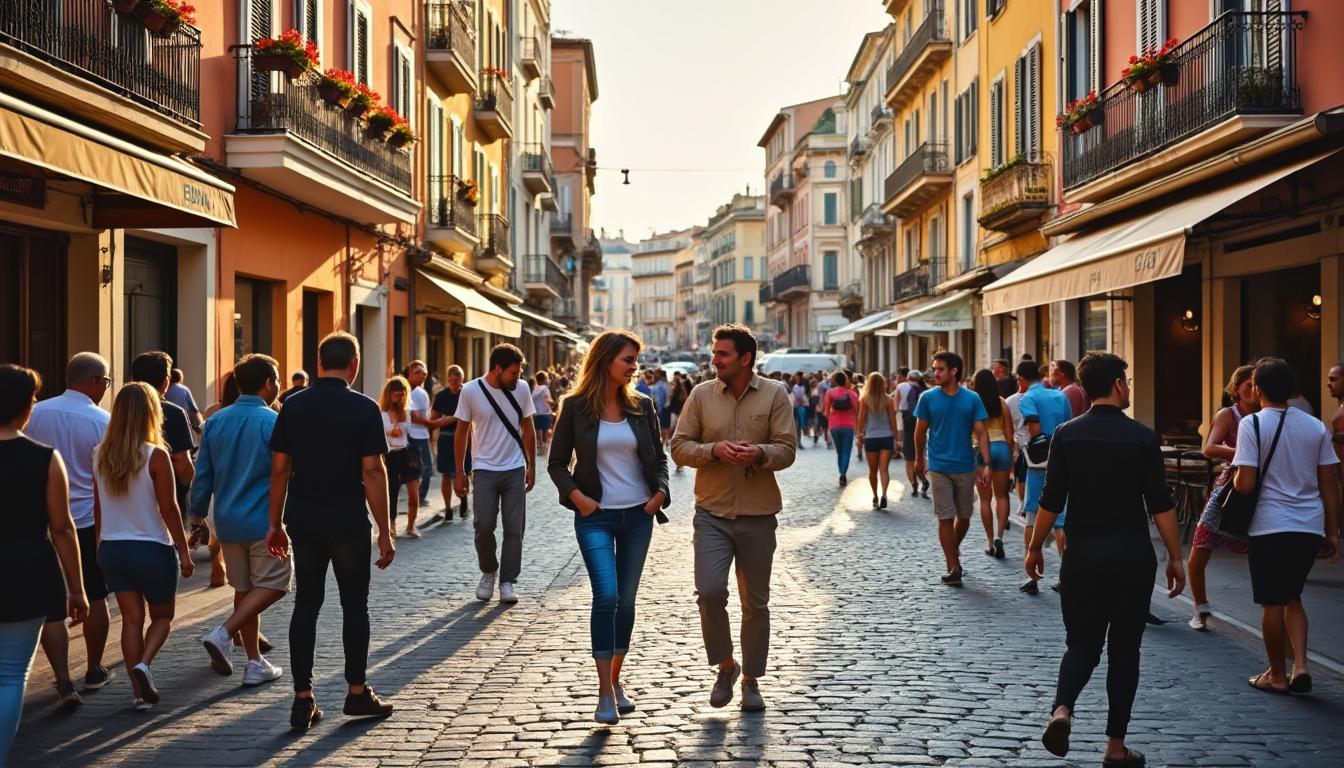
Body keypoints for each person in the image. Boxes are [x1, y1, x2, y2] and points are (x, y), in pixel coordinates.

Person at [1029, 352, 1185, 768]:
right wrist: (1176, 556)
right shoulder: (1143, 437)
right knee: (1125, 651)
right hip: (1131, 557)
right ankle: (1115, 747)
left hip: (1082, 557)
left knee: (1081, 644)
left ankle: (1062, 710)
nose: (1128, 387)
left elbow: (1051, 498)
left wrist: (1034, 547)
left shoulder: (1066, 435)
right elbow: (1160, 503)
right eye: (1127, 381)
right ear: (1118, 384)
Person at [267, 331, 396, 730]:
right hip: (347, 520)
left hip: (303, 519)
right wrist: (385, 529)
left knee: (306, 603)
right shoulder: (364, 408)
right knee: (354, 605)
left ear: (319, 362)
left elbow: (279, 470)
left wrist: (274, 524)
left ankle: (302, 700)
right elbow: (373, 471)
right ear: (354, 364)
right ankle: (356, 692)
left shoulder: (292, 406)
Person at [671, 324, 796, 713]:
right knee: (709, 592)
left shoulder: (775, 394)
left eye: (722, 353)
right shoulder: (701, 395)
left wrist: (759, 453)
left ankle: (751, 681)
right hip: (711, 511)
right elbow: (679, 447)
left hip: (759, 514)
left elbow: (787, 449)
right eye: (714, 353)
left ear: (745, 358)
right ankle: (726, 665)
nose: (715, 360)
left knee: (755, 603)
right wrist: (712, 450)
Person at [548, 331, 670, 724]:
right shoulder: (574, 406)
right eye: (628, 360)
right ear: (605, 361)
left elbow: (659, 458)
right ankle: (604, 692)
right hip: (594, 515)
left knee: (627, 601)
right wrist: (578, 498)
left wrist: (660, 493)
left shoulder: (642, 405)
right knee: (607, 595)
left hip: (638, 515)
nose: (635, 367)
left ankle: (616, 680)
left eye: (635, 359)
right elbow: (556, 463)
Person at [1232, 357, 1340, 695]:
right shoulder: (1315, 426)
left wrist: (1232, 476)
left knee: (1272, 603)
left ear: (1257, 390)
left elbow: (1245, 484)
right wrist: (1332, 531)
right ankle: (1301, 665)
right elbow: (1329, 483)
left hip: (1270, 525)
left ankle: (1277, 675)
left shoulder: (1252, 424)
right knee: (1293, 596)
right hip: (1308, 525)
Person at [0, 364, 88, 758]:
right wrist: (77, 588)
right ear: (25, 406)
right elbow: (62, 529)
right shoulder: (45, 459)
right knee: (10, 675)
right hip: (27, 572)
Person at [94, 382, 195, 711]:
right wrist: (184, 551)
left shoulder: (100, 454)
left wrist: (99, 545)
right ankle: (144, 664)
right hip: (151, 546)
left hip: (113, 547)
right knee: (162, 616)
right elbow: (169, 509)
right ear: (152, 413)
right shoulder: (155, 454)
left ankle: (138, 695)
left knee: (131, 619)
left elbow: (97, 507)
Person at [189, 354, 288, 687]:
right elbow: (284, 472)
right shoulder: (273, 422)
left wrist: (197, 517)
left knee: (244, 590)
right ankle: (224, 632)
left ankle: (254, 662)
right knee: (275, 584)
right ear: (269, 384)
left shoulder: (216, 421)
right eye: (277, 380)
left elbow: (202, 475)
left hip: (227, 521)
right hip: (263, 519)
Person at [26, 353, 112, 705]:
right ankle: (93, 669)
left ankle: (63, 679)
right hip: (86, 521)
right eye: (106, 383)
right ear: (95, 381)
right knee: (95, 595)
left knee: (52, 603)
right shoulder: (103, 421)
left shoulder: (35, 413)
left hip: (40, 522)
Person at [453, 344, 537, 604]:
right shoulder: (470, 391)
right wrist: (459, 471)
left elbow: (528, 427)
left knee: (514, 528)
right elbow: (461, 432)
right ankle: (489, 571)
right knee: (484, 525)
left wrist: (531, 465)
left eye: (519, 373)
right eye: (513, 373)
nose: (517, 378)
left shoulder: (522, 389)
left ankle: (508, 581)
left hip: (514, 468)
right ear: (497, 369)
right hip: (484, 469)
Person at [131, 351, 223, 587]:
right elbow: (184, 466)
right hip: (162, 511)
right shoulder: (173, 413)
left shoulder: (121, 415)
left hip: (122, 517)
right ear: (166, 381)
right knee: (161, 598)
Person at [1186, 365, 1258, 631]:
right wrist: (1243, 452)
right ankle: (1200, 605)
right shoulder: (1230, 414)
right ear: (1236, 388)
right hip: (1230, 486)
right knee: (1202, 543)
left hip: (1262, 486)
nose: (1253, 390)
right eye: (1248, 385)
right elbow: (1209, 447)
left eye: (1257, 385)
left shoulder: (1266, 414)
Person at [913, 353, 991, 587]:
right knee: (945, 516)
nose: (935, 373)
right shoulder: (927, 398)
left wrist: (986, 463)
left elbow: (981, 432)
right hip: (938, 466)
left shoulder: (972, 398)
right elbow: (919, 431)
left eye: (940, 369)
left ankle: (952, 549)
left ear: (954, 371)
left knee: (964, 517)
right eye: (934, 369)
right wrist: (919, 459)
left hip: (965, 466)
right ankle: (953, 566)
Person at [1018, 359, 1074, 594]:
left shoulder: (1027, 398)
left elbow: (1034, 429)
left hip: (1039, 464)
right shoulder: (1060, 396)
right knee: (1061, 520)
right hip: (1063, 460)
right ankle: (1066, 574)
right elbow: (1070, 425)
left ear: (1021, 379)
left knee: (1032, 515)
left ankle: (1031, 576)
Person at [971, 369, 1016, 560]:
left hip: (980, 449)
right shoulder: (1001, 402)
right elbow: (1010, 434)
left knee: (984, 499)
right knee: (1002, 495)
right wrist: (1011, 458)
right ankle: (1000, 536)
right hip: (1001, 447)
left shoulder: (972, 402)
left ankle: (990, 541)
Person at [379, 376, 422, 538]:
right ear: (389, 394)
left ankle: (411, 526)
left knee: (414, 494)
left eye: (402, 394)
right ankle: (392, 525)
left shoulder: (406, 412)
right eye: (396, 394)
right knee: (392, 494)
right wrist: (395, 429)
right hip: (390, 456)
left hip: (407, 454)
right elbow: (389, 430)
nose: (399, 398)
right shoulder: (382, 413)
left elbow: (405, 429)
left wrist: (395, 428)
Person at [431, 365, 471, 522]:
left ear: (462, 378)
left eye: (457, 379)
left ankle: (463, 499)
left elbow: (474, 417)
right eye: (452, 379)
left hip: (465, 438)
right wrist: (449, 419)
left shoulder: (467, 394)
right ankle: (447, 508)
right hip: (446, 438)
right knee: (446, 475)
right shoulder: (441, 396)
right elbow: (433, 418)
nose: (454, 382)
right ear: (448, 379)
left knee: (464, 471)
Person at [856, 372, 898, 509]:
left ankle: (875, 496)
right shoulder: (889, 399)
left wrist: (859, 435)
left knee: (872, 471)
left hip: (871, 438)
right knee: (884, 469)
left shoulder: (865, 400)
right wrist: (896, 438)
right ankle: (884, 494)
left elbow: (861, 418)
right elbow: (893, 420)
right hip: (886, 436)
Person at [404, 361, 435, 511]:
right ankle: (419, 496)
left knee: (421, 467)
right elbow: (414, 416)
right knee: (424, 467)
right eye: (418, 373)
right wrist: (434, 423)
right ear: (410, 372)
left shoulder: (420, 392)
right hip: (415, 435)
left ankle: (418, 496)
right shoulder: (412, 392)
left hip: (420, 434)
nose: (422, 376)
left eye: (424, 374)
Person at [822, 371, 858, 486]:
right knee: (847, 450)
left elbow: (826, 411)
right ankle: (843, 473)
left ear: (835, 381)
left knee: (839, 451)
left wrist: (829, 424)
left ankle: (841, 471)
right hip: (848, 425)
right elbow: (857, 410)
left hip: (834, 425)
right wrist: (857, 425)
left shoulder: (830, 393)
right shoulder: (852, 394)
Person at [897, 369, 928, 497]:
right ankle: (923, 479)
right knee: (921, 455)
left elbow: (896, 406)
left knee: (909, 458)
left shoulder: (902, 387)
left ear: (908, 378)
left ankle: (914, 484)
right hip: (924, 423)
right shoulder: (926, 390)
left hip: (908, 423)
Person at [1004, 371, 1030, 515]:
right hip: (1033, 443)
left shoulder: (1009, 401)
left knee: (1021, 476)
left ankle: (1022, 504)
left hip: (1018, 443)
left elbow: (1007, 428)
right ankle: (1025, 504)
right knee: (1025, 475)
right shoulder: (1039, 397)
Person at [167, 368, 204, 434]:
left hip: (168, 422)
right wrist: (200, 426)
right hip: (183, 422)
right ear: (181, 378)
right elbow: (194, 410)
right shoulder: (184, 389)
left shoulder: (166, 389)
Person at [669, 372, 690, 470]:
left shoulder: (678, 388)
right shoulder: (678, 388)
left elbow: (685, 399)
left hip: (677, 412)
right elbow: (686, 399)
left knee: (676, 435)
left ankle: (679, 462)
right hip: (678, 411)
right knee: (678, 435)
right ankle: (679, 462)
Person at [531, 371, 555, 454]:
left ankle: (541, 449)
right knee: (546, 432)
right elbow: (547, 399)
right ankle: (546, 450)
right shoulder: (545, 388)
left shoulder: (535, 390)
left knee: (538, 432)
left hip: (536, 414)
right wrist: (553, 403)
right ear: (544, 379)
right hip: (545, 413)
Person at [651, 369, 671, 449]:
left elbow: (654, 398)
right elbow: (669, 396)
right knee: (664, 426)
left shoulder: (657, 385)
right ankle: (663, 443)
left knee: (661, 427)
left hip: (659, 408)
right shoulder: (665, 384)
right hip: (663, 408)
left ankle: (662, 443)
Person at [790, 373, 809, 448]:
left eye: (798, 377)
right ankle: (796, 442)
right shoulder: (791, 386)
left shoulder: (803, 386)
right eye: (796, 377)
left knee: (799, 426)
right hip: (793, 408)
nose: (797, 379)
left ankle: (799, 442)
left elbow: (805, 396)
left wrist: (801, 399)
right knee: (795, 426)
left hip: (799, 407)